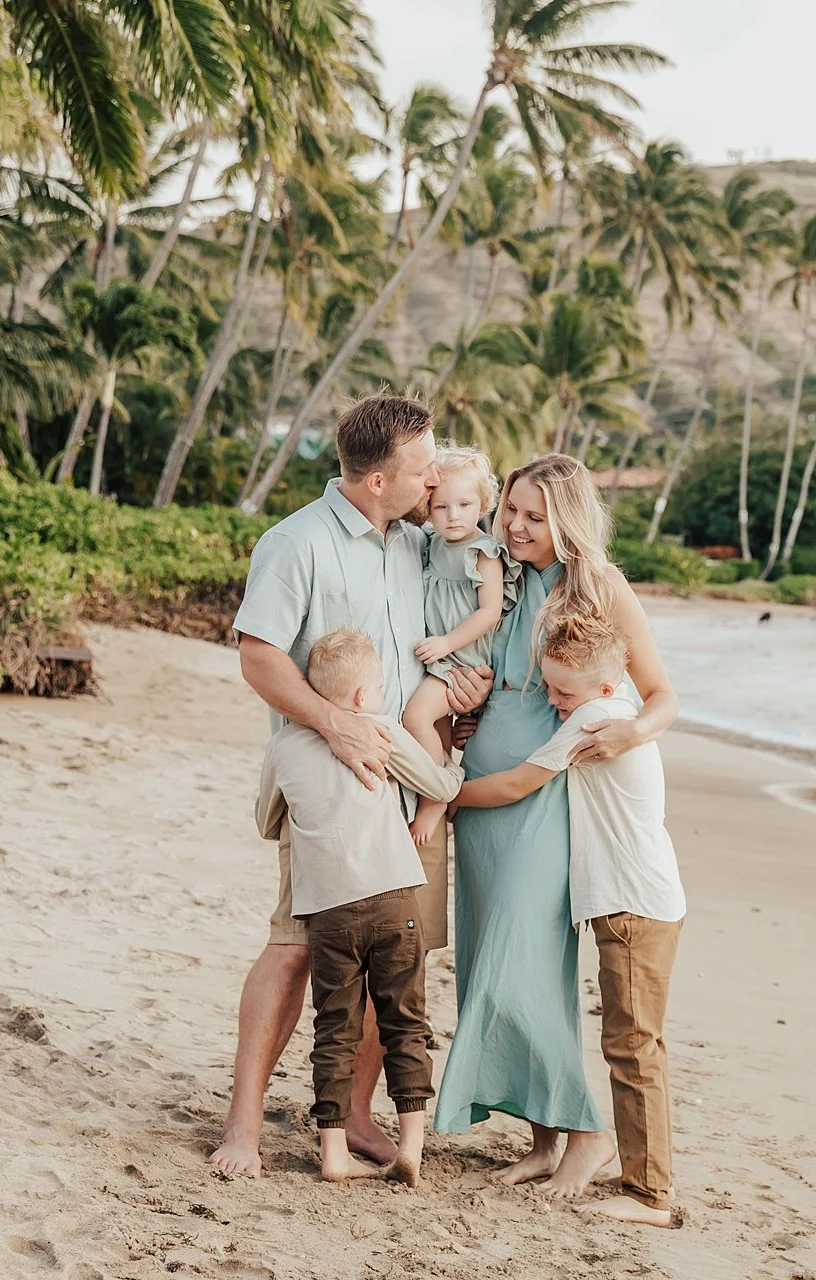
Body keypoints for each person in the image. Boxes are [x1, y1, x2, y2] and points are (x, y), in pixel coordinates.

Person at [210, 394, 492, 1178]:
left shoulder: (414, 543)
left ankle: (360, 1117)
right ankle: (243, 1129)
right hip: (335, 797)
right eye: (421, 466)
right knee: (295, 950)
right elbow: (259, 656)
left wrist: (457, 694)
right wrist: (332, 725)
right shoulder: (295, 543)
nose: (434, 477)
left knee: (397, 957)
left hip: (411, 790)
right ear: (376, 479)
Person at [432, 453, 679, 1200]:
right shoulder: (496, 573)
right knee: (489, 964)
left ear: (568, 520)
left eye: (533, 517)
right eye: (510, 510)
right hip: (481, 792)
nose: (514, 525)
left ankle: (587, 1134)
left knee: (522, 964)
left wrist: (631, 734)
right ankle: (543, 1137)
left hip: (539, 796)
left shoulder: (600, 587)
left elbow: (662, 693)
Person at [452, 611, 687, 1226]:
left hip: (633, 904)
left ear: (603, 690)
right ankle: (639, 1178)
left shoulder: (594, 719)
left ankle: (650, 1194)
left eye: (562, 691)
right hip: (634, 901)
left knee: (633, 1044)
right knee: (630, 1040)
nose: (552, 702)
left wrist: (441, 794)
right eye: (550, 688)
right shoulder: (619, 703)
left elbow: (515, 786)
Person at [255, 628, 463, 1186]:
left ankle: (333, 1154)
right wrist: (458, 760)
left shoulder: (284, 746)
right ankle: (412, 1145)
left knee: (335, 1027)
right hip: (396, 898)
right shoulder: (383, 731)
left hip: (328, 913)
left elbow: (264, 821)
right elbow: (440, 784)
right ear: (360, 698)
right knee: (405, 1022)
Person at [402, 446, 512, 846]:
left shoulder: (483, 552)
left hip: (461, 659)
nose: (453, 516)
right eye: (440, 506)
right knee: (438, 729)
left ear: (483, 504)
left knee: (415, 718)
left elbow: (489, 612)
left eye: (465, 505)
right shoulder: (432, 542)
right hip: (441, 654)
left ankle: (437, 790)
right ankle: (441, 775)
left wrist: (446, 642)